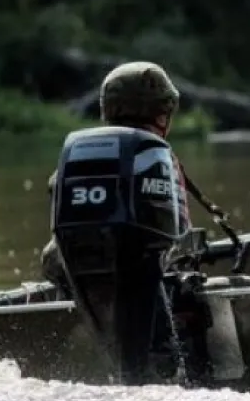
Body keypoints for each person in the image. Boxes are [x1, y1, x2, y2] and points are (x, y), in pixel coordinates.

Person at [39, 61, 190, 287]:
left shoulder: (82, 150)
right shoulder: (155, 156)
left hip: (75, 276)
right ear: (160, 114)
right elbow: (180, 235)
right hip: (143, 282)